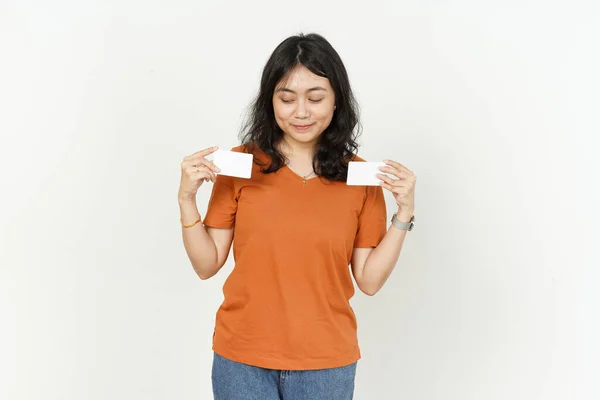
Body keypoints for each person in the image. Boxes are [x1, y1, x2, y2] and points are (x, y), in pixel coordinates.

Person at [177, 33, 416, 400]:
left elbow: (368, 280)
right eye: (287, 98)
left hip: (327, 363)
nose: (301, 112)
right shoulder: (241, 165)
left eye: (315, 98)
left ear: (337, 100)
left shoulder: (361, 176)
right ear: (270, 102)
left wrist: (405, 213)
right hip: (241, 359)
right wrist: (187, 199)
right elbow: (207, 264)